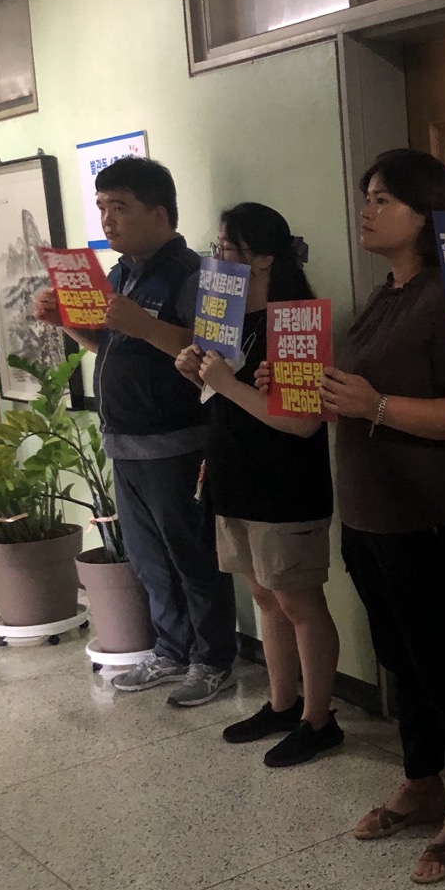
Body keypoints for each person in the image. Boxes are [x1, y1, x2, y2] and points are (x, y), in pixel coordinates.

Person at [323, 149, 445, 883]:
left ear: (428, 214)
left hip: (428, 516)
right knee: (402, 662)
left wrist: (377, 406)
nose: (367, 210)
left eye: (384, 199)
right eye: (367, 196)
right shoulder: (385, 293)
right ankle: (422, 781)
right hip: (370, 514)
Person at [34, 156, 237, 705]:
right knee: (150, 562)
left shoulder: (194, 274)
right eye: (102, 207)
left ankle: (213, 660)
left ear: (160, 212)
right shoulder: (121, 273)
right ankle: (171, 651)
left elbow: (212, 354)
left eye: (119, 207)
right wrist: (67, 323)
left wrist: (145, 325)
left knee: (193, 559)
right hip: (124, 443)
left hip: (178, 443)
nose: (107, 219)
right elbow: (113, 345)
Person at [175, 202, 343, 768]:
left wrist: (226, 383)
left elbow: (302, 424)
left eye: (227, 247)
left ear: (264, 258)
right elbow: (224, 398)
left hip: (284, 486)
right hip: (233, 477)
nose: (218, 257)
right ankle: (281, 703)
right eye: (218, 246)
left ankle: (319, 720)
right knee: (265, 597)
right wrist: (200, 375)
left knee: (299, 602)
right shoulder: (225, 320)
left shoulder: (296, 323)